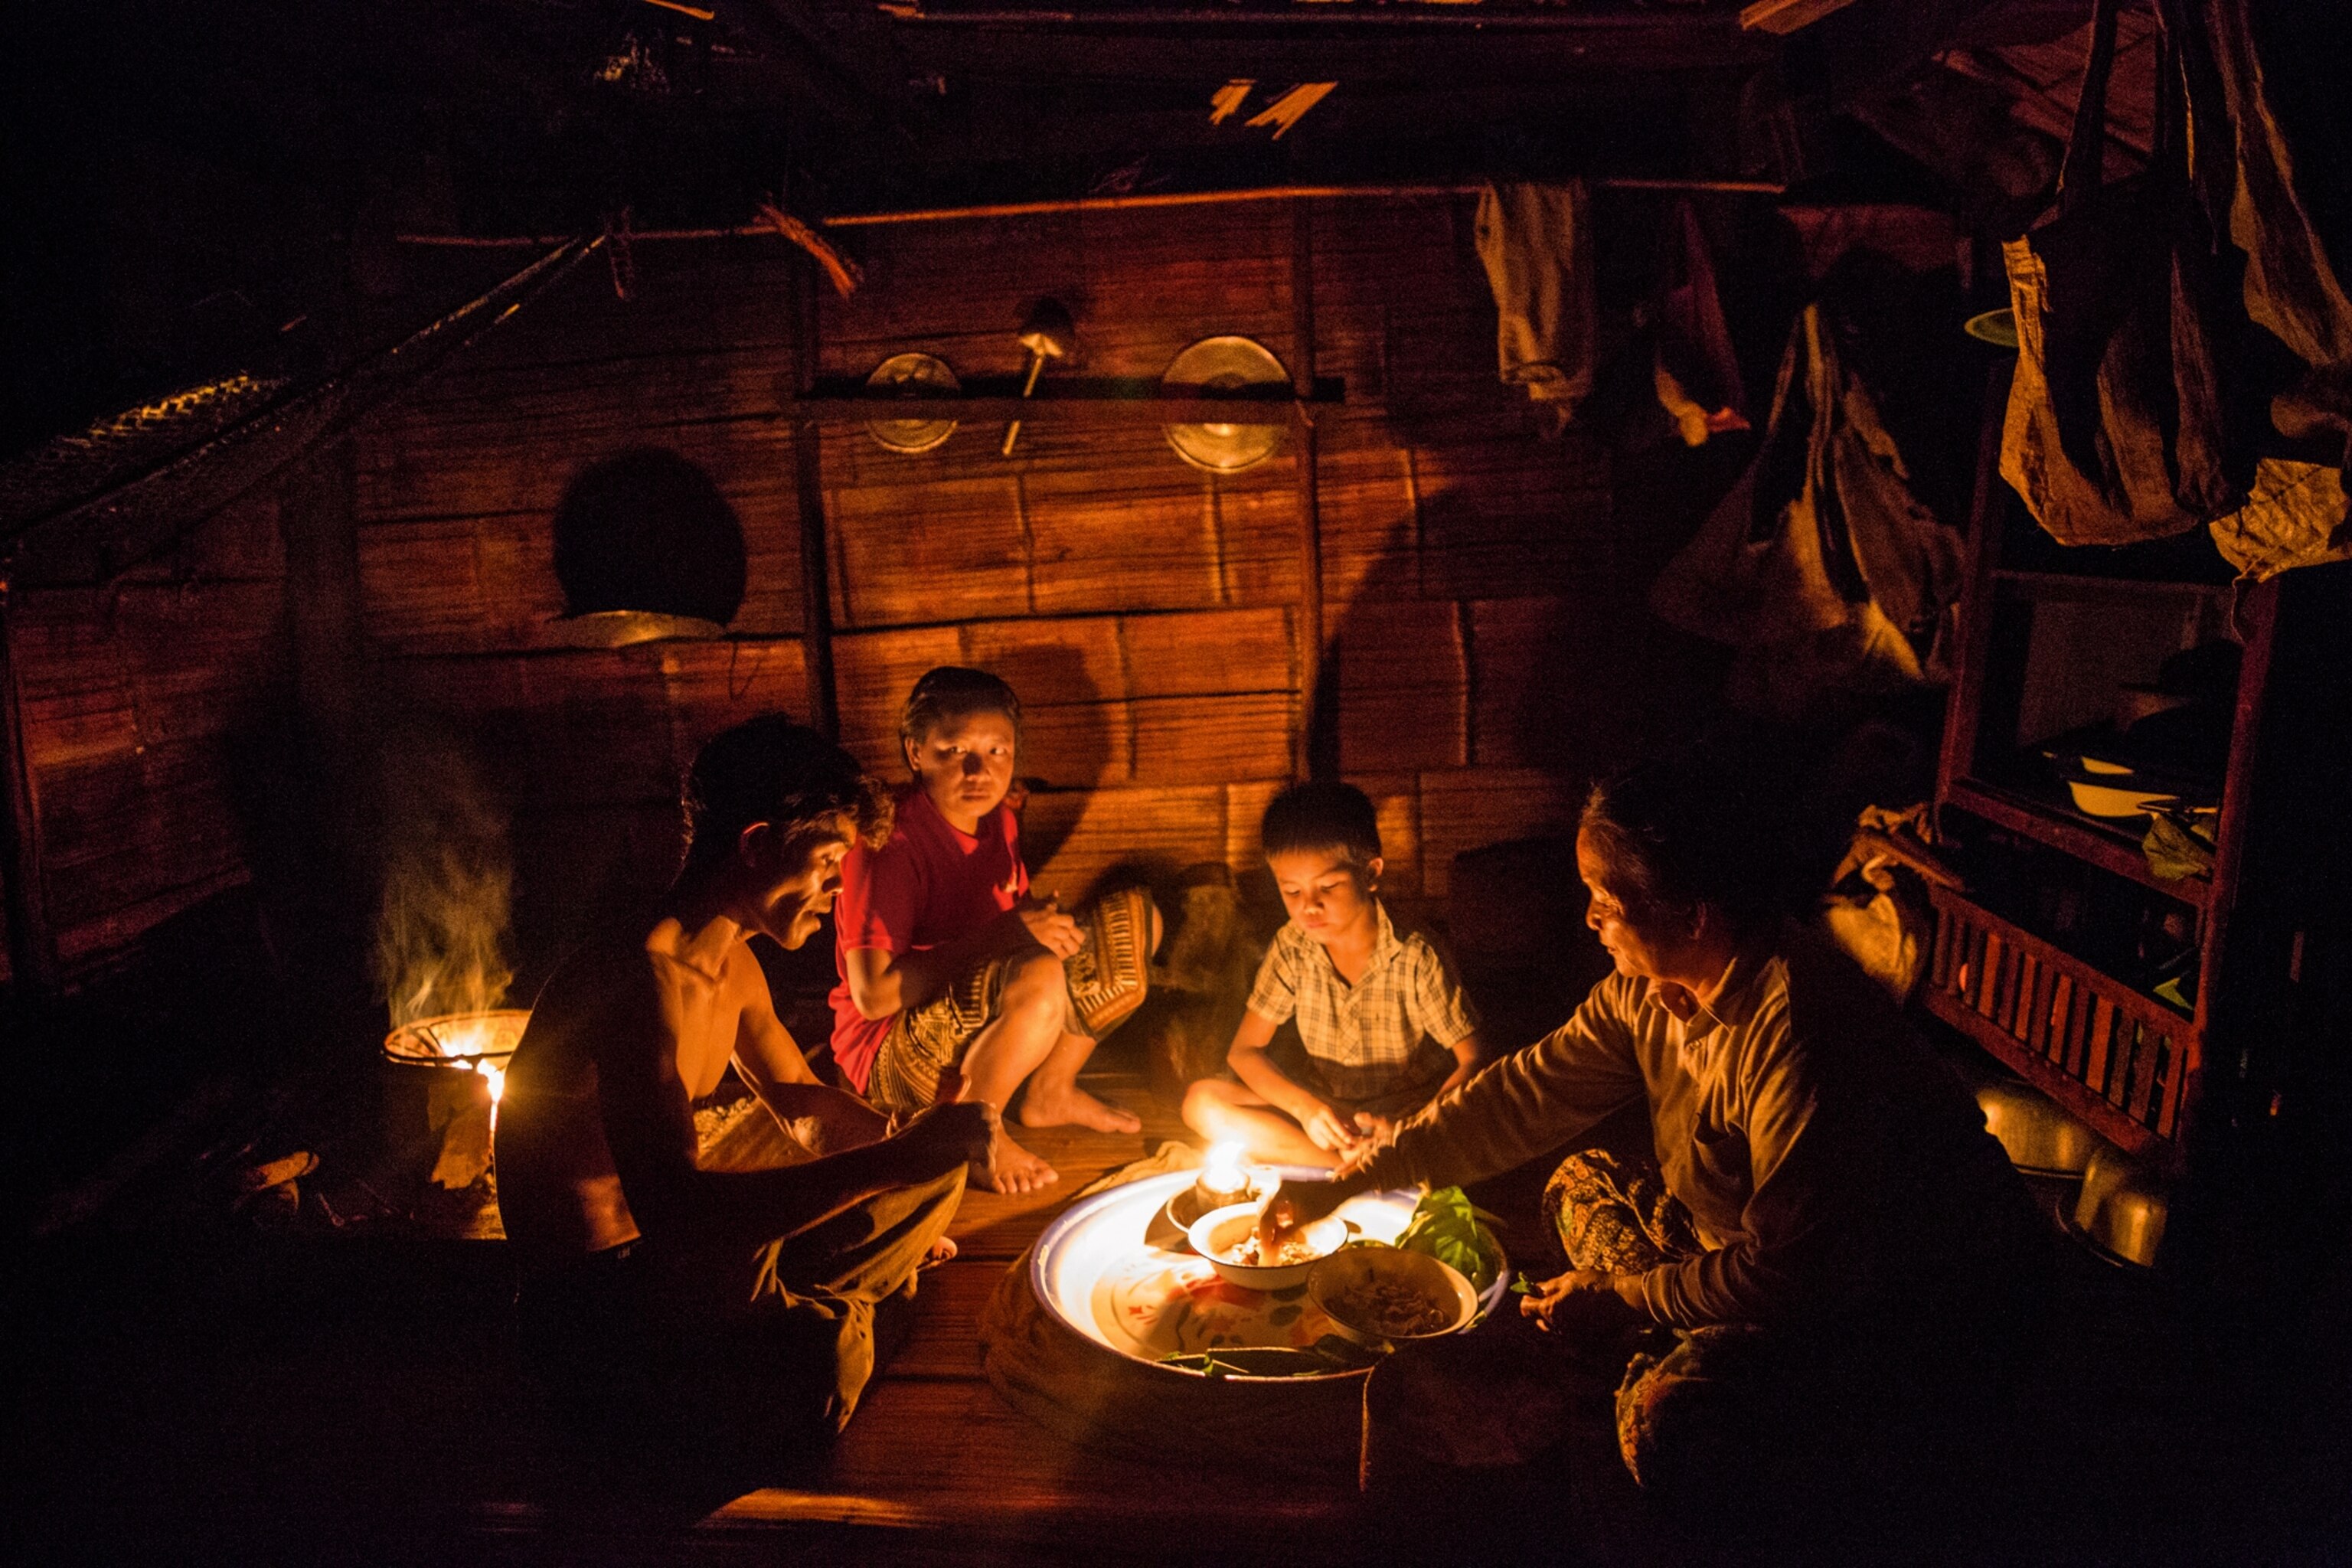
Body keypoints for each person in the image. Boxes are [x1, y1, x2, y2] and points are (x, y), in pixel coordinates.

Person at [1262, 754, 2047, 1501]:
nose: (1592, 918)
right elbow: (1522, 1095)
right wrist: (1357, 1177)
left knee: (1674, 1430)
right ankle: (1652, 1336)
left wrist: (1627, 1292)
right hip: (1749, 1250)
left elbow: (1791, 1275)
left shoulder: (1798, 1034)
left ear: (1695, 913)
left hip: (1894, 1313)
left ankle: (1702, 1380)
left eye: (1607, 898)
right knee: (1580, 1183)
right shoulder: (1648, 988)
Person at [495, 715, 997, 1442]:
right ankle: (839, 1317)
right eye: (828, 861)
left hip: (696, 1274)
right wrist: (889, 1164)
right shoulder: (638, 982)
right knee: (812, 1374)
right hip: (605, 1313)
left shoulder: (732, 963)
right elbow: (676, 1214)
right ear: (758, 844)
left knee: (936, 1174)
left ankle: (834, 1305)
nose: (837, 887)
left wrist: (904, 1145)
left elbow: (798, 1101)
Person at [831, 667, 1152, 1195]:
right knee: (1042, 974)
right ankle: (974, 1137)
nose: (979, 771)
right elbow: (874, 997)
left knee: (1134, 917)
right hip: (889, 1057)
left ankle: (1051, 1091)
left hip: (972, 1016)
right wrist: (1010, 934)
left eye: (997, 752)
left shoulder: (999, 818)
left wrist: (1043, 928)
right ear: (915, 753)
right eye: (954, 751)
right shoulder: (890, 842)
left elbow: (1011, 925)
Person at [1181, 781, 1482, 1168]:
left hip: (1406, 1116)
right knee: (1203, 1103)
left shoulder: (1415, 953)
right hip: (1328, 1112)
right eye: (1291, 892)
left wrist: (1407, 1126)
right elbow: (1244, 1052)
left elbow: (1473, 1060)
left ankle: (1377, 1159)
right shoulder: (1292, 947)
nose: (1310, 907)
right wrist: (1305, 1108)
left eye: (1328, 887)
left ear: (1370, 873)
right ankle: (1349, 1167)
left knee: (1471, 1129)